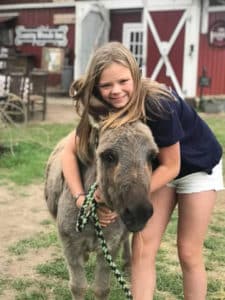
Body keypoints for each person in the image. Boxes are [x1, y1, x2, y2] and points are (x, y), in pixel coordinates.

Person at [61, 41, 224, 300]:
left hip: (195, 167)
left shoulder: (159, 103)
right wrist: (83, 197)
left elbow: (173, 165)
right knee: (142, 248)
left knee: (188, 251)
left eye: (123, 81)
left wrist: (122, 196)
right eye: (106, 85)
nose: (116, 91)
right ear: (97, 86)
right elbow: (69, 151)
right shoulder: (101, 108)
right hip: (154, 169)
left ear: (135, 76)